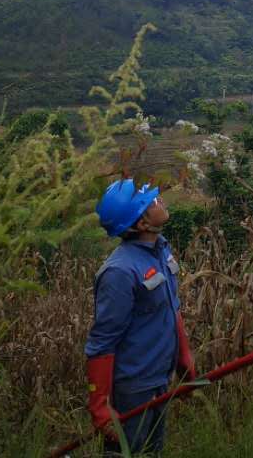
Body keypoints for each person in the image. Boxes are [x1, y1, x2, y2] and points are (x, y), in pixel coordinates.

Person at [84, 179, 197, 455]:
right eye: (150, 202)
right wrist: (100, 406)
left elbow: (171, 306)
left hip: (160, 378)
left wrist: (184, 356)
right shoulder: (119, 273)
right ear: (141, 224)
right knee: (128, 451)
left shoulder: (161, 249)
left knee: (152, 452)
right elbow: (102, 343)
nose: (160, 200)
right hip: (133, 388)